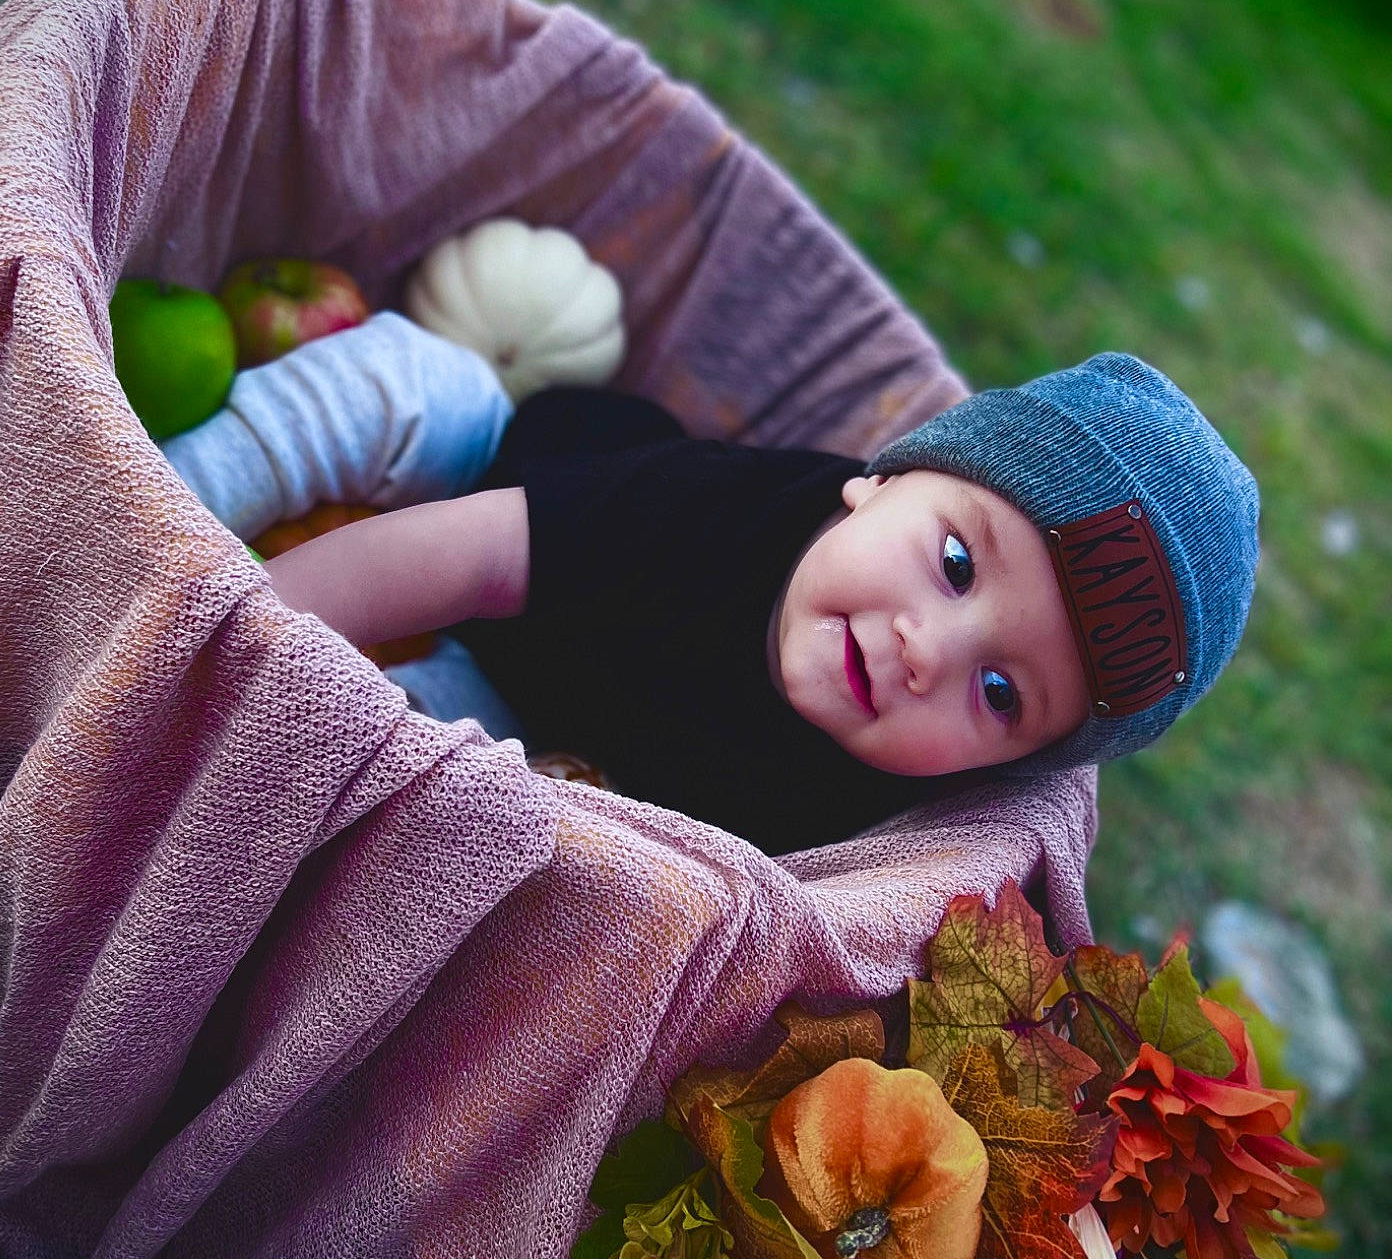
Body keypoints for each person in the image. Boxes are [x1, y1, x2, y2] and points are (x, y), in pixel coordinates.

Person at [164, 315, 1258, 855]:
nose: (932, 647)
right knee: (409, 380)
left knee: (421, 785)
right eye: (959, 564)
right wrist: (252, 631)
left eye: (1003, 693)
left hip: (540, 718)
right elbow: (480, 554)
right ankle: (158, 512)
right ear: (878, 485)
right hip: (512, 496)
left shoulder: (882, 829)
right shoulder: (721, 515)